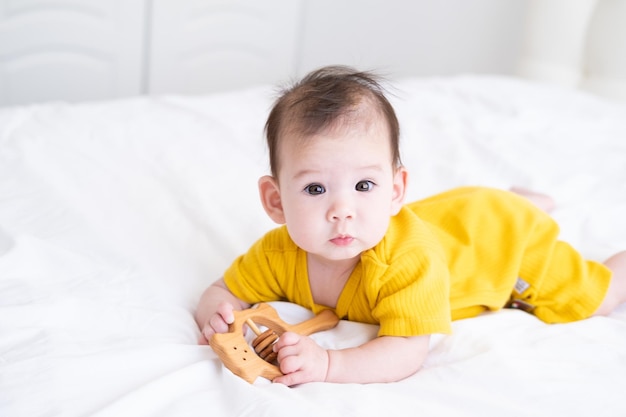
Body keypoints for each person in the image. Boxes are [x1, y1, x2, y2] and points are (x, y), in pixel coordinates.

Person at [194, 65, 626, 386]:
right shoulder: (276, 253)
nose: (342, 210)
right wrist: (215, 314)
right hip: (459, 217)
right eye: (314, 190)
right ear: (276, 201)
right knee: (470, 213)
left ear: (396, 189)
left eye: (365, 185)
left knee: (596, 297)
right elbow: (224, 289)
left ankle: (527, 210)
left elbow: (406, 350)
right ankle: (525, 201)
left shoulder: (406, 262)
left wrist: (329, 365)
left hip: (503, 242)